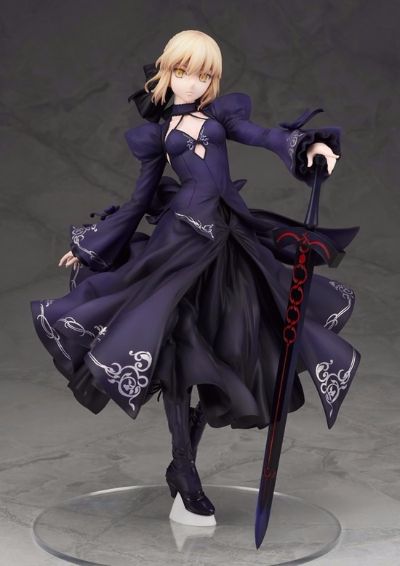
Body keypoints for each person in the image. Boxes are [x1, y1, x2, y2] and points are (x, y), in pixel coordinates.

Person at [30, 29, 360, 519]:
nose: (193, 82)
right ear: (167, 72)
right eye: (183, 71)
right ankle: (183, 466)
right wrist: (91, 245)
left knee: (236, 343)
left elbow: (264, 136)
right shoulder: (156, 136)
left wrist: (308, 147)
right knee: (177, 352)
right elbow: (140, 200)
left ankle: (186, 449)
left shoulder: (222, 117)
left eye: (204, 74)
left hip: (230, 239)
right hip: (178, 243)